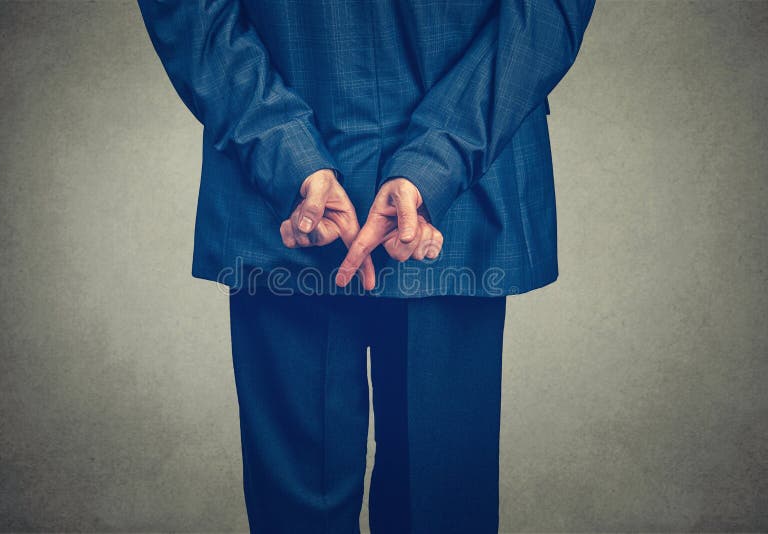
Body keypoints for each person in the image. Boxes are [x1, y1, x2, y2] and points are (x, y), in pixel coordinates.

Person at [137, 1, 595, 532]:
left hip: (287, 200)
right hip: (455, 201)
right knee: (440, 509)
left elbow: (193, 17)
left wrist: (289, 157)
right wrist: (436, 164)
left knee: (299, 516)